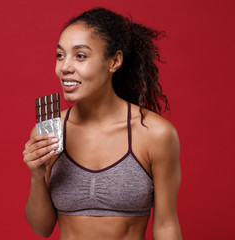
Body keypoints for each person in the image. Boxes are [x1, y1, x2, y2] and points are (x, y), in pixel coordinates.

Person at [23, 7, 182, 240]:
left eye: (80, 56)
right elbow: (42, 228)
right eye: (60, 55)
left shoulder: (154, 133)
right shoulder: (49, 131)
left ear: (114, 61)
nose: (65, 67)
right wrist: (37, 175)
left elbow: (166, 225)